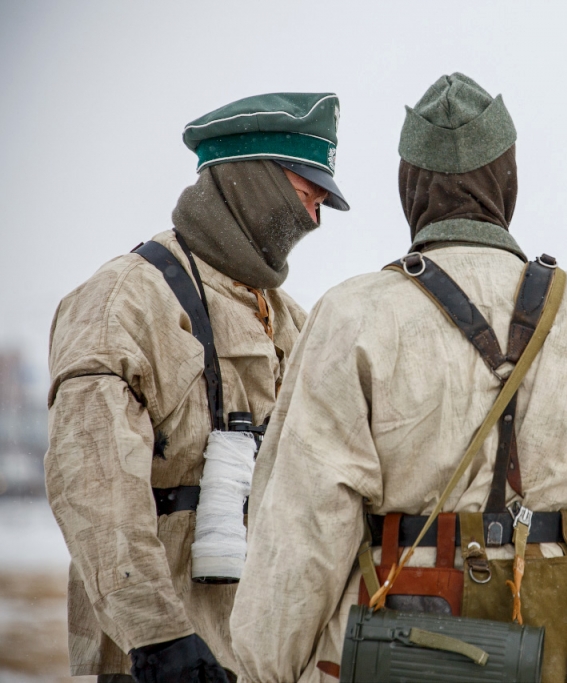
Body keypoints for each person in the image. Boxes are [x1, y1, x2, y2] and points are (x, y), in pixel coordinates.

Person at [229, 73, 567, 683]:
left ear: (409, 185)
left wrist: (267, 665)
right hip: (547, 632)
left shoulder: (352, 314)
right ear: (507, 179)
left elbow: (304, 524)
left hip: (393, 635)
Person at [44, 92, 349, 682]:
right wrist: (160, 639)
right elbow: (95, 489)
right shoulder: (125, 301)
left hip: (264, 658)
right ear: (253, 183)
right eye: (307, 193)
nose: (314, 219)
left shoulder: (292, 320)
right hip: (160, 660)